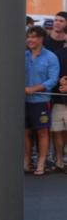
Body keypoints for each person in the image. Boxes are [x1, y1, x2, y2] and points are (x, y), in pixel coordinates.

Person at [25, 25, 59, 176]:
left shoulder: (50, 57)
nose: (30, 40)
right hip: (23, 101)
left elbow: (52, 80)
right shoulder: (23, 55)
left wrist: (33, 89)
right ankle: (26, 162)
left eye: (33, 37)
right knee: (25, 132)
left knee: (42, 133)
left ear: (41, 39)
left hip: (41, 101)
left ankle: (41, 163)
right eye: (29, 37)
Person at [45, 12, 67, 170]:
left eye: (61, 21)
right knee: (56, 129)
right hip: (56, 96)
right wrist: (60, 82)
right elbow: (52, 73)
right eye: (56, 20)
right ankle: (57, 159)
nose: (57, 23)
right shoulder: (55, 53)